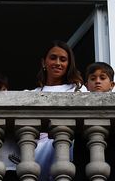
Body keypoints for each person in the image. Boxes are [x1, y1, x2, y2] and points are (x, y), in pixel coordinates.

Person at [31, 41, 83, 181]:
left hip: (65, 156)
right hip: (34, 160)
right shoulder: (30, 94)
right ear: (44, 62)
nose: (58, 63)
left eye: (63, 59)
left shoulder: (77, 91)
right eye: (53, 58)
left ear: (69, 64)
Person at [76, 62, 115, 181]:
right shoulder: (80, 107)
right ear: (86, 85)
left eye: (102, 77)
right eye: (93, 78)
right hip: (83, 161)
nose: (97, 81)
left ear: (112, 84)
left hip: (110, 160)